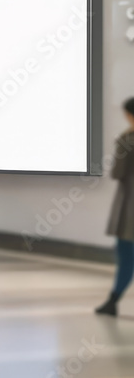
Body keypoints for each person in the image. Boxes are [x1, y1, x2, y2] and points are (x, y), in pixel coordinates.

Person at [96, 98, 134, 317]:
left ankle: (113, 302)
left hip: (130, 207)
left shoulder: (127, 140)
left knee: (127, 254)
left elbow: (117, 173)